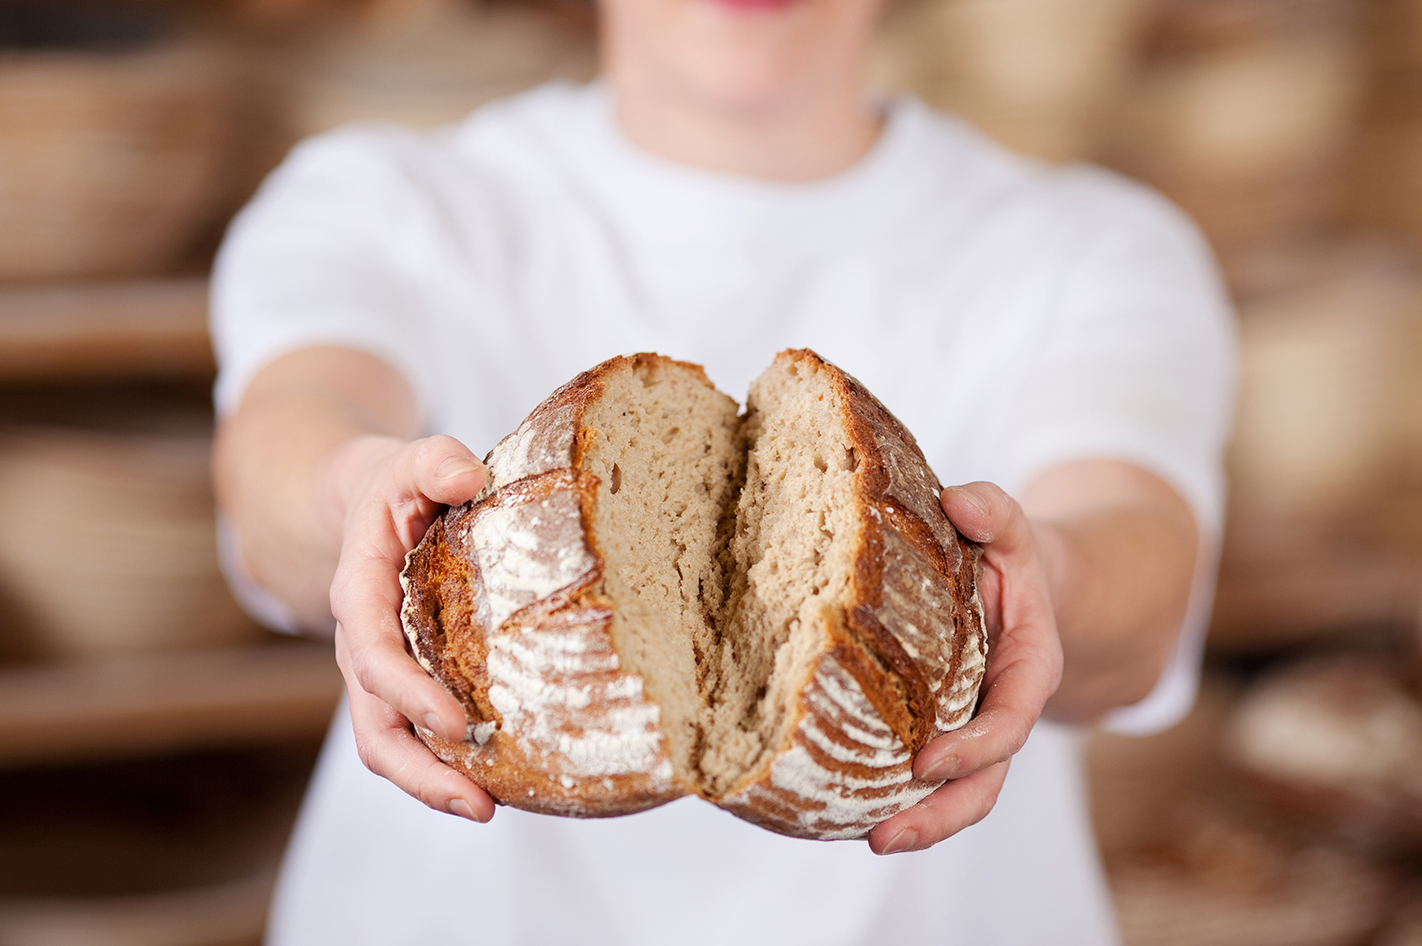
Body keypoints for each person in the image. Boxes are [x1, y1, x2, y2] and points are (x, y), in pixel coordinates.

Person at [210, 0, 1234, 939]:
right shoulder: (384, 196)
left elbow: (1137, 556)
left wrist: (1041, 569)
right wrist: (354, 495)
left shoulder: (1093, 243)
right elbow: (284, 447)